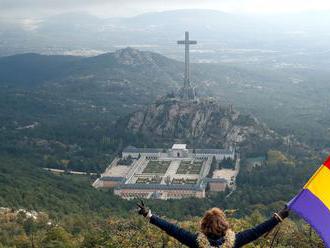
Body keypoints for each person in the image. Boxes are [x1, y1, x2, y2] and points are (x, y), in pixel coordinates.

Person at [137, 201, 289, 248]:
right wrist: (278, 217)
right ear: (224, 224)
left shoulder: (196, 241)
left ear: (204, 225)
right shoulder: (234, 241)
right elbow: (257, 231)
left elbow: (172, 229)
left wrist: (149, 215)